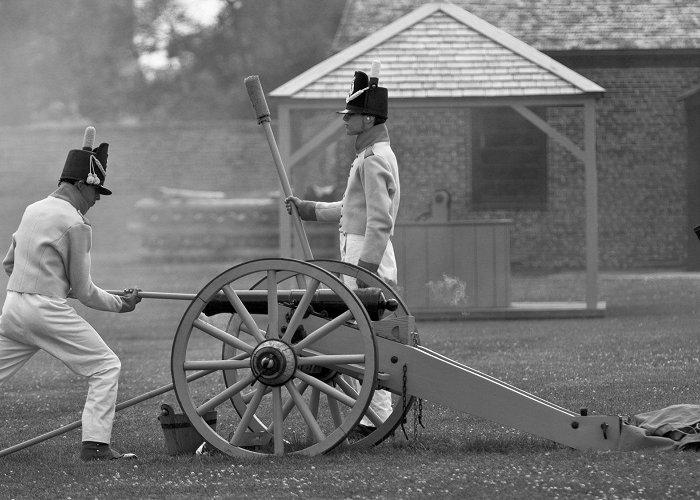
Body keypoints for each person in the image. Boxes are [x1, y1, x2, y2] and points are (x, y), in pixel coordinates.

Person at [0, 128, 142, 461]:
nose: (96, 200)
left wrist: (48, 281)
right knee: (106, 367)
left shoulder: (33, 209)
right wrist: (122, 304)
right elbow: (85, 292)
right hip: (45, 310)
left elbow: (9, 263)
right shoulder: (77, 224)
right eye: (95, 191)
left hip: (13, 307)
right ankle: (95, 445)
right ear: (80, 184)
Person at [285, 62, 399, 437]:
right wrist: (308, 209)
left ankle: (374, 420)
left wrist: (362, 271)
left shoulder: (372, 160)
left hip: (366, 256)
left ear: (368, 120)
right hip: (363, 254)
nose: (345, 121)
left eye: (351, 115)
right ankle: (373, 417)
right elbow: (351, 208)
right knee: (366, 337)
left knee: (368, 340)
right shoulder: (372, 155)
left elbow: (380, 221)